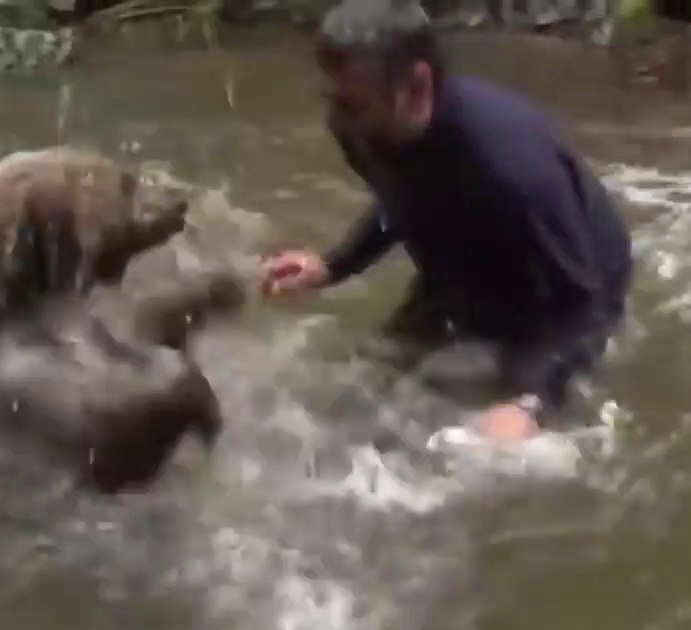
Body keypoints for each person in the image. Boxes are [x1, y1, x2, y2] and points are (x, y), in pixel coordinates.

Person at [260, 0, 634, 442]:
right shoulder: (359, 126)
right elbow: (403, 200)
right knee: (363, 386)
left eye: (353, 104)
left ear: (417, 87)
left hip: (560, 286)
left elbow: (583, 303)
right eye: (333, 99)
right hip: (463, 255)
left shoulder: (514, 168)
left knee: (486, 442)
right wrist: (334, 265)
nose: (340, 121)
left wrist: (533, 402)